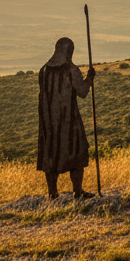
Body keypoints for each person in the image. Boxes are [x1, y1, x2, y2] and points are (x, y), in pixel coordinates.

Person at [37, 37, 95, 199]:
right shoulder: (71, 69)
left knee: (51, 153)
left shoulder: (44, 70)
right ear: (69, 51)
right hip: (69, 120)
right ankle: (77, 191)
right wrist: (90, 78)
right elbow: (82, 92)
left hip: (48, 121)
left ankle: (52, 193)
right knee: (76, 151)